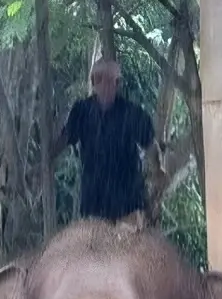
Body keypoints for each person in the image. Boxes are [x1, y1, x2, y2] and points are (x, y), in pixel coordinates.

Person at [53, 58, 157, 222]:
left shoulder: (134, 114)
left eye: (109, 79)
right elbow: (65, 138)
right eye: (98, 78)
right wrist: (44, 161)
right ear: (93, 82)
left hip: (128, 201)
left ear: (118, 83)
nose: (103, 84)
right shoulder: (81, 111)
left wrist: (158, 173)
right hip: (94, 200)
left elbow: (152, 147)